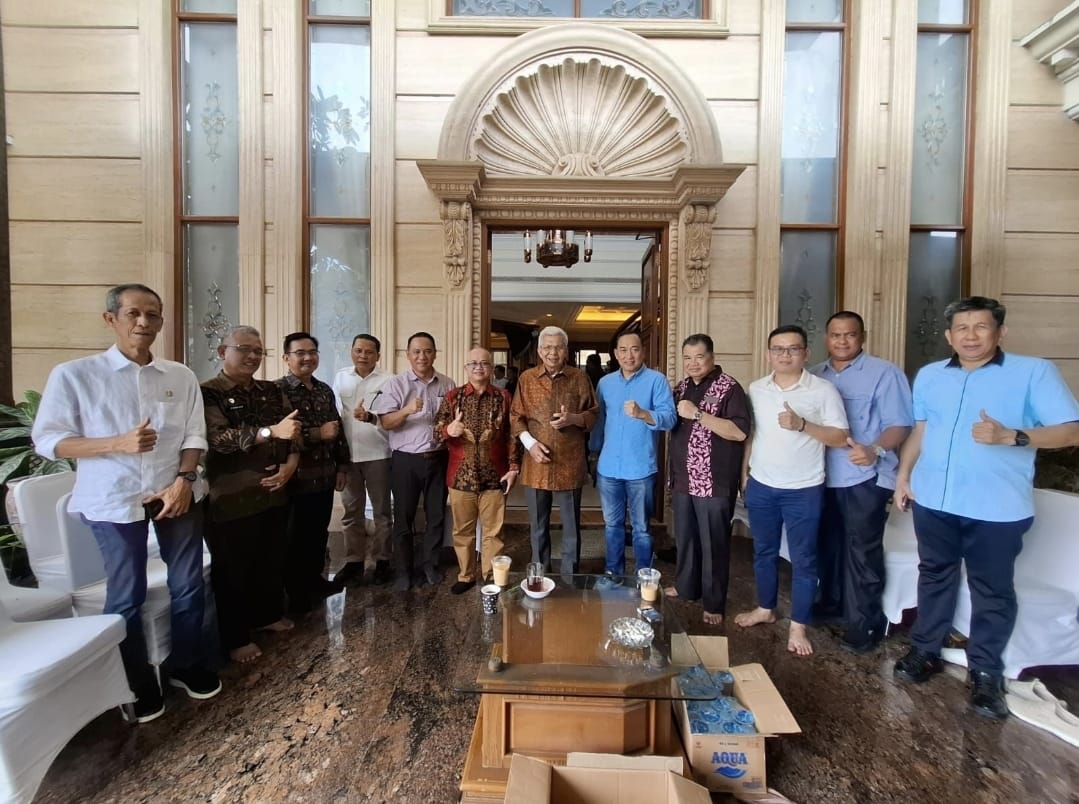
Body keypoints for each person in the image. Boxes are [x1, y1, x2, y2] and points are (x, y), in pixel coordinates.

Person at [33, 283, 221, 723]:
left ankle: (186, 664)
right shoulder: (75, 375)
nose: (143, 322)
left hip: (175, 493)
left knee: (189, 584)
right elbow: (48, 441)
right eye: (133, 313)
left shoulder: (179, 375)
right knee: (127, 594)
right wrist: (115, 443)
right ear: (111, 319)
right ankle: (134, 683)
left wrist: (184, 480)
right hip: (113, 499)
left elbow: (194, 435)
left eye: (152, 314)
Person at [893, 296, 1079, 719]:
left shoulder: (1033, 372)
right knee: (934, 574)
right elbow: (922, 430)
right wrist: (904, 476)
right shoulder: (931, 375)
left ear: (1001, 332)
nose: (971, 336)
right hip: (934, 499)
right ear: (949, 336)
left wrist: (1013, 436)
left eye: (981, 327)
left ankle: (986, 671)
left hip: (996, 506)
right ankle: (925, 650)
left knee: (991, 588)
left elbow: (1071, 431)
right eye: (962, 328)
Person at [736, 324, 849, 656]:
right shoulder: (757, 388)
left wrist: (803, 424)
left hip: (804, 488)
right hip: (762, 484)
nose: (785, 355)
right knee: (764, 552)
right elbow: (752, 434)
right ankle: (765, 608)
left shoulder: (823, 390)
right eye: (778, 349)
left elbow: (841, 437)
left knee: (804, 559)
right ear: (768, 354)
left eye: (792, 349)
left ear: (806, 353)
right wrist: (744, 474)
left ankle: (799, 625)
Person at [810, 311, 913, 653]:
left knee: (861, 551)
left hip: (864, 477)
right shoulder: (815, 375)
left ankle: (865, 622)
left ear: (862, 337)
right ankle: (832, 604)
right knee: (827, 545)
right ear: (826, 338)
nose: (842, 341)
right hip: (823, 476)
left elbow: (900, 424)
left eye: (850, 334)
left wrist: (875, 449)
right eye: (835, 335)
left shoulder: (884, 373)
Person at [202, 325, 301, 664]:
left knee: (270, 559)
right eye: (244, 349)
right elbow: (218, 439)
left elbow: (293, 431)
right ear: (222, 352)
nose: (252, 356)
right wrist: (269, 432)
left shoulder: (271, 390)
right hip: (233, 496)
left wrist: (290, 465)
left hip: (274, 490)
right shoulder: (208, 392)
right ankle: (236, 637)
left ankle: (267, 615)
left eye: (258, 351)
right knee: (233, 569)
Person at [666, 334, 750, 625]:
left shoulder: (729, 388)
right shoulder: (681, 387)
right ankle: (686, 587)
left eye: (699, 357)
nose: (693, 363)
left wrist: (698, 414)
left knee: (713, 544)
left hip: (714, 481)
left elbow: (739, 432)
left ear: (712, 358)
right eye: (687, 358)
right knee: (686, 538)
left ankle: (714, 603)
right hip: (683, 479)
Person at [510, 326, 598, 575]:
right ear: (539, 351)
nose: (553, 352)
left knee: (571, 526)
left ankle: (571, 575)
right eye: (547, 347)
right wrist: (530, 444)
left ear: (566, 351)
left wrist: (574, 419)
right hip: (536, 462)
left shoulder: (579, 378)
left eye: (558, 347)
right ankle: (539, 573)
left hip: (570, 462)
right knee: (538, 526)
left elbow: (594, 414)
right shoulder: (527, 378)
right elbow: (515, 416)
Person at [372, 332, 456, 591]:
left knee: (436, 516)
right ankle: (404, 570)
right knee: (403, 517)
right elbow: (386, 422)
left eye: (427, 351)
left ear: (435, 354)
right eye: (416, 351)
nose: (422, 356)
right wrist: (408, 410)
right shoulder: (396, 384)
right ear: (407, 355)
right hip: (405, 461)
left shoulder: (447, 384)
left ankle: (430, 565)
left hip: (438, 458)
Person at [589, 332, 675, 583]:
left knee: (642, 528)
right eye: (623, 350)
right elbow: (599, 421)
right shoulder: (605, 383)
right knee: (612, 525)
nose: (629, 355)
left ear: (643, 352)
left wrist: (643, 414)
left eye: (635, 349)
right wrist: (593, 453)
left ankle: (643, 576)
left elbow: (670, 418)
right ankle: (613, 572)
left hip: (640, 468)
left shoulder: (657, 381)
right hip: (608, 467)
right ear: (616, 354)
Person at [434, 347, 521, 594]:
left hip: (495, 475)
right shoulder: (453, 397)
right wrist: (448, 430)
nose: (478, 367)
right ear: (466, 368)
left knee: (494, 532)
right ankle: (466, 575)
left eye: (484, 363)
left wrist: (514, 467)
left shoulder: (504, 397)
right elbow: (435, 433)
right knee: (462, 531)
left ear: (492, 368)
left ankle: (491, 575)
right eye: (473, 363)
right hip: (460, 477)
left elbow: (512, 435)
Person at [275, 332, 349, 614]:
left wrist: (342, 465)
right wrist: (318, 433)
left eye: (312, 352)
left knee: (318, 533)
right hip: (296, 479)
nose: (307, 358)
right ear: (286, 358)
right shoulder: (278, 391)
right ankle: (295, 594)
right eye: (300, 353)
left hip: (325, 475)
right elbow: (280, 437)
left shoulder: (323, 390)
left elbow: (337, 429)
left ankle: (315, 581)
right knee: (295, 538)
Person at [332, 334, 393, 587]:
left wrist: (369, 416)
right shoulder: (341, 377)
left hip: (379, 454)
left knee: (382, 512)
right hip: (349, 456)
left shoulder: (389, 380)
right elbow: (336, 415)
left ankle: (382, 560)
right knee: (351, 511)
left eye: (369, 352)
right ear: (352, 351)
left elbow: (392, 419)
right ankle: (353, 561)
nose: (363, 356)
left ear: (378, 356)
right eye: (358, 350)